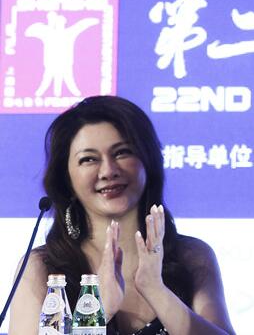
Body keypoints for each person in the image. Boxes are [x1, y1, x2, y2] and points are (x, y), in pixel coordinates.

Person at [8, 96, 235, 335]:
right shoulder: (41, 268)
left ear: (148, 161)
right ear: (66, 179)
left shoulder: (191, 256)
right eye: (89, 159)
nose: (108, 171)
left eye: (122, 153)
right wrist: (98, 312)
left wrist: (157, 291)